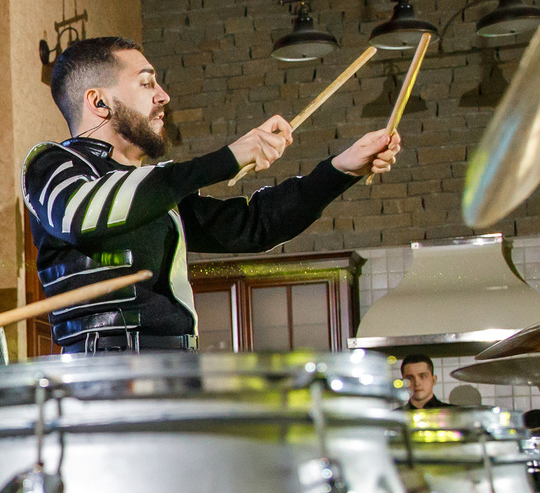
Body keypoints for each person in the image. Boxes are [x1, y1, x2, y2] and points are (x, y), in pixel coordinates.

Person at [22, 36, 402, 352]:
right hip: (103, 378)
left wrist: (340, 170)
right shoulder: (52, 165)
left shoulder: (151, 190)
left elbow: (254, 225)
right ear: (99, 101)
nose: (163, 96)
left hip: (172, 368)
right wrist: (230, 157)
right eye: (146, 83)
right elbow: (80, 214)